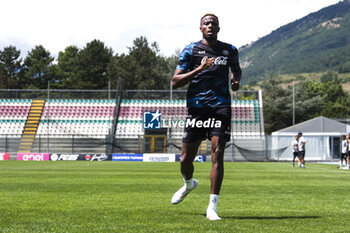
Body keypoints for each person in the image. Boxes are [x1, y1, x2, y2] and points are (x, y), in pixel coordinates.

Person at [170, 13, 242, 221]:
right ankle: (188, 183)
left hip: (221, 106)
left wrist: (235, 80)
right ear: (200, 27)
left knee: (217, 153)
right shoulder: (190, 50)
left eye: (214, 23)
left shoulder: (229, 50)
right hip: (197, 108)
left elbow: (236, 70)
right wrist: (199, 68)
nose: (210, 25)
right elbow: (175, 82)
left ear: (219, 28)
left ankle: (212, 207)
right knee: (185, 160)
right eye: (206, 23)